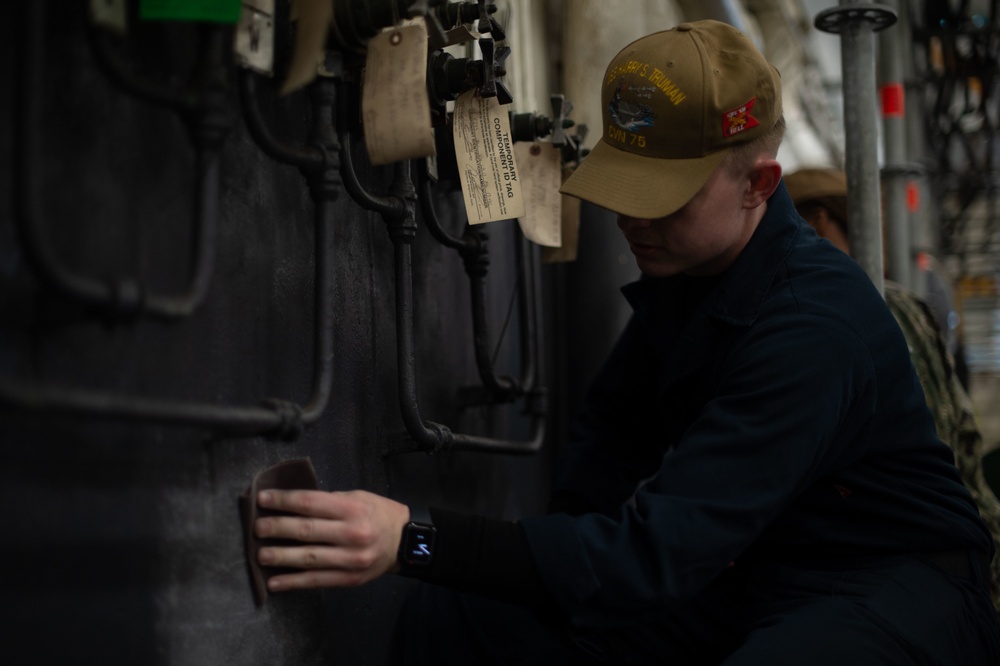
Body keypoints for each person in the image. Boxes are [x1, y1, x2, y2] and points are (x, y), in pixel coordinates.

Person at [251, 20, 1000, 664]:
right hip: (753, 574)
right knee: (468, 622)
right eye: (624, 181)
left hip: (891, 583)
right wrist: (551, 584)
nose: (631, 219)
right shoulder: (691, 276)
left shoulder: (812, 326)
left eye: (662, 198)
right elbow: (605, 458)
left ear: (759, 183)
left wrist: (414, 541)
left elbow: (653, 557)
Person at [784, 166, 1000, 618]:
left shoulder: (839, 316)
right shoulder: (905, 303)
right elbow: (962, 436)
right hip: (966, 555)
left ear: (818, 221)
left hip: (902, 577)